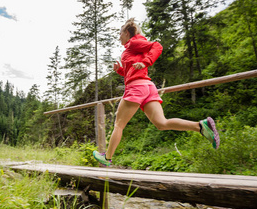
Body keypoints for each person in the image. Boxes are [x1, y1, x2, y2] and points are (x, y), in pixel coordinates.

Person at [93, 18, 220, 167]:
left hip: (137, 88)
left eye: (120, 33)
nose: (119, 36)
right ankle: (200, 126)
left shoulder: (134, 42)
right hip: (147, 87)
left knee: (119, 125)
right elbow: (133, 71)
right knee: (162, 123)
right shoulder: (130, 48)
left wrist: (146, 62)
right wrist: (120, 70)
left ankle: (107, 158)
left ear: (127, 32)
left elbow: (157, 46)